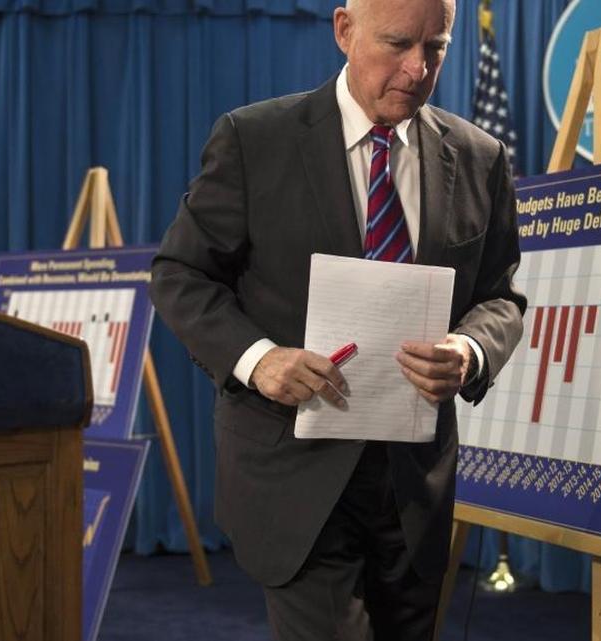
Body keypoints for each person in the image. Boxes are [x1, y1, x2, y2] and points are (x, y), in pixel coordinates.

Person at [149, 0, 525, 638]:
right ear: (344, 30)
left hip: (413, 489)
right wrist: (259, 360)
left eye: (436, 47)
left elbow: (500, 297)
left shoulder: (479, 157)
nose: (417, 68)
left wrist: (469, 349)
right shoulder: (254, 139)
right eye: (398, 43)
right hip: (292, 476)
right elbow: (180, 274)